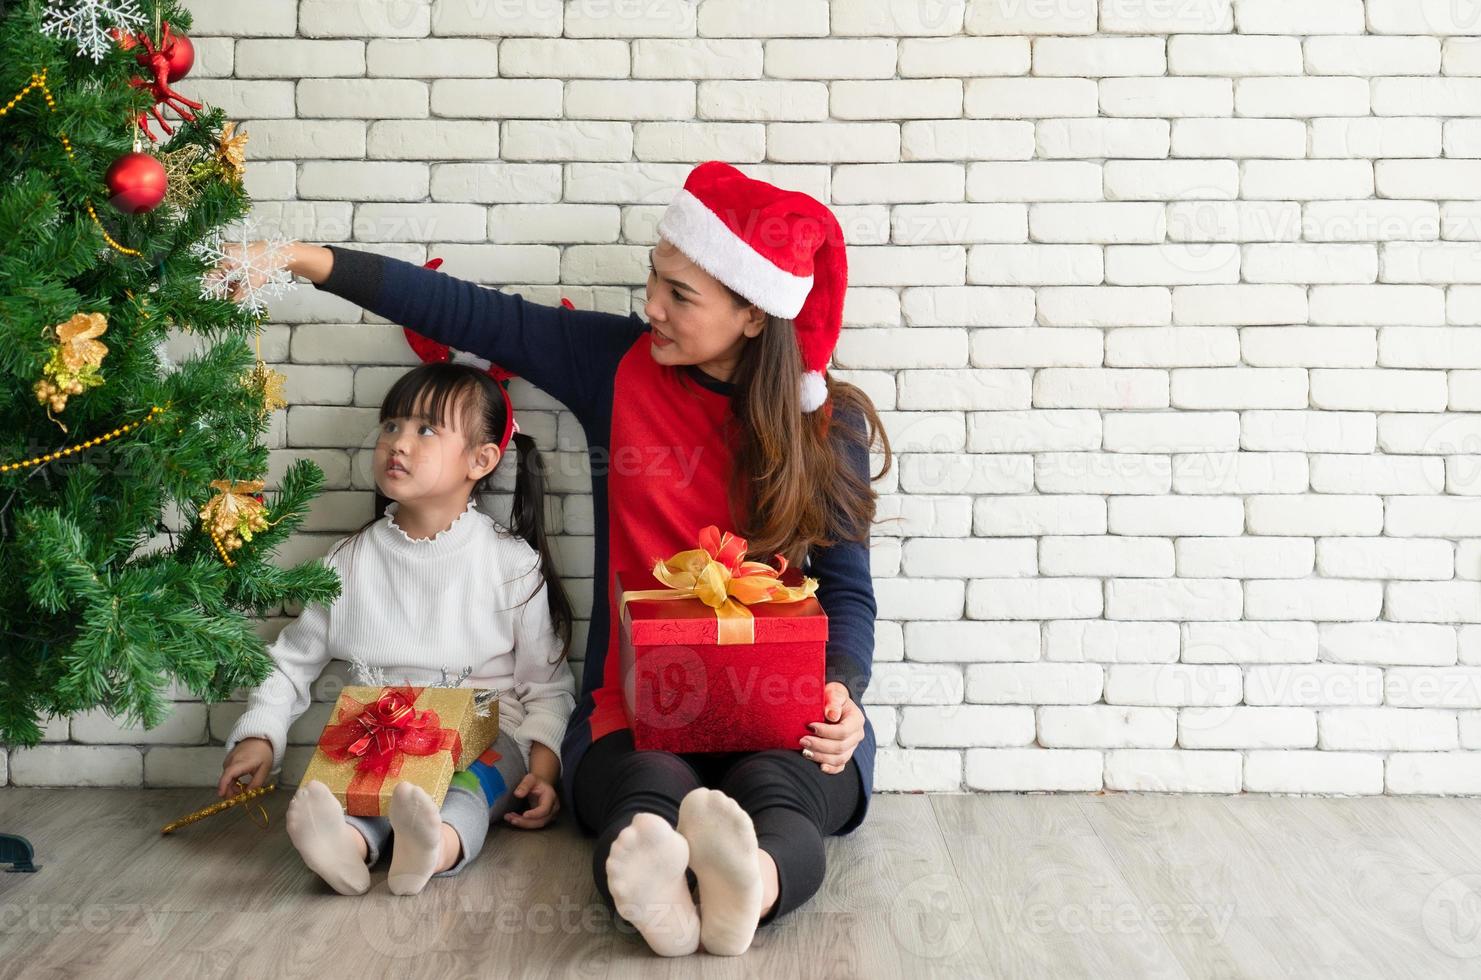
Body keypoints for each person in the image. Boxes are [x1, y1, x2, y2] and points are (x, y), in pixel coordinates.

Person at [211, 159, 891, 954]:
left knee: (783, 793)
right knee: (641, 799)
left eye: (680, 295)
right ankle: (666, 907)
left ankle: (752, 885)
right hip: (635, 708)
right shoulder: (618, 366)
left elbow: (846, 591)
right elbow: (471, 313)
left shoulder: (825, 422)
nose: (652, 308)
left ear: (752, 315)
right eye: (653, 280)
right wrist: (299, 258)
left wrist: (840, 688)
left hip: (784, 705)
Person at [217, 361, 578, 897]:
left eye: (426, 429)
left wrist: (544, 774)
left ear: (480, 460)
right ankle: (347, 847)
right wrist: (258, 734)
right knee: (359, 793)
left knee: (466, 792)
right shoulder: (349, 561)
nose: (398, 443)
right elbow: (291, 662)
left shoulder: (509, 562)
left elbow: (547, 687)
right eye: (391, 426)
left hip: (488, 736)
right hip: (382, 733)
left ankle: (434, 847)